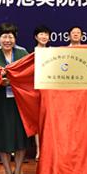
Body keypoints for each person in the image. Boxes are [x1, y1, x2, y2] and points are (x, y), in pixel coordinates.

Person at [0, 23, 30, 174]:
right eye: (4, 36)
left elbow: (28, 75)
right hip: (1, 101)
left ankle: (18, 171)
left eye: (10, 36)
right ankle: (7, 172)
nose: (7, 40)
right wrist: (0, 81)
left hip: (20, 101)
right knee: (3, 136)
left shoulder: (23, 53)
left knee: (20, 136)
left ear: (15, 38)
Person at [31, 24, 51, 160]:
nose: (44, 37)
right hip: (36, 90)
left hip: (50, 90)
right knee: (38, 121)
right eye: (41, 34)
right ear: (36, 37)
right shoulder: (31, 53)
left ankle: (49, 149)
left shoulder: (53, 52)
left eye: (46, 34)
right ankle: (39, 150)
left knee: (49, 120)